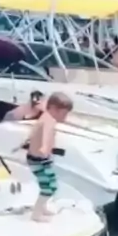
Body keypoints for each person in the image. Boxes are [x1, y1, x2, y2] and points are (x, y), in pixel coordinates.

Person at [26, 91, 73, 222]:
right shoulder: (49, 121)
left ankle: (42, 208)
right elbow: (46, 134)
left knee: (50, 184)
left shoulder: (46, 117)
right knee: (48, 187)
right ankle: (36, 214)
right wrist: (45, 147)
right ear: (53, 109)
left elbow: (34, 132)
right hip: (38, 160)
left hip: (41, 159)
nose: (65, 117)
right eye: (64, 114)